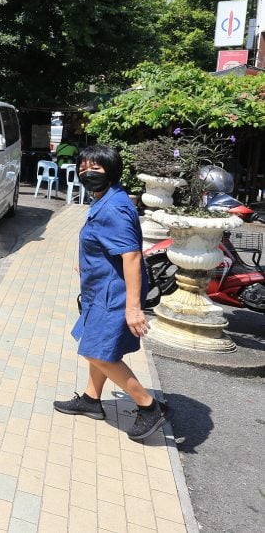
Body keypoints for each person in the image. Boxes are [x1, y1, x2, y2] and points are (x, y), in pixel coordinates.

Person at [53, 144, 172, 440]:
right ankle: (92, 399)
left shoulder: (116, 207)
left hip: (114, 295)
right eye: (83, 168)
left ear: (111, 171)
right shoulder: (106, 199)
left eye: (96, 168)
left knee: (97, 350)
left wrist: (133, 309)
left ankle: (148, 406)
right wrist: (88, 264)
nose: (87, 173)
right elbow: (108, 246)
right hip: (101, 288)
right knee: (99, 347)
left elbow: (131, 256)